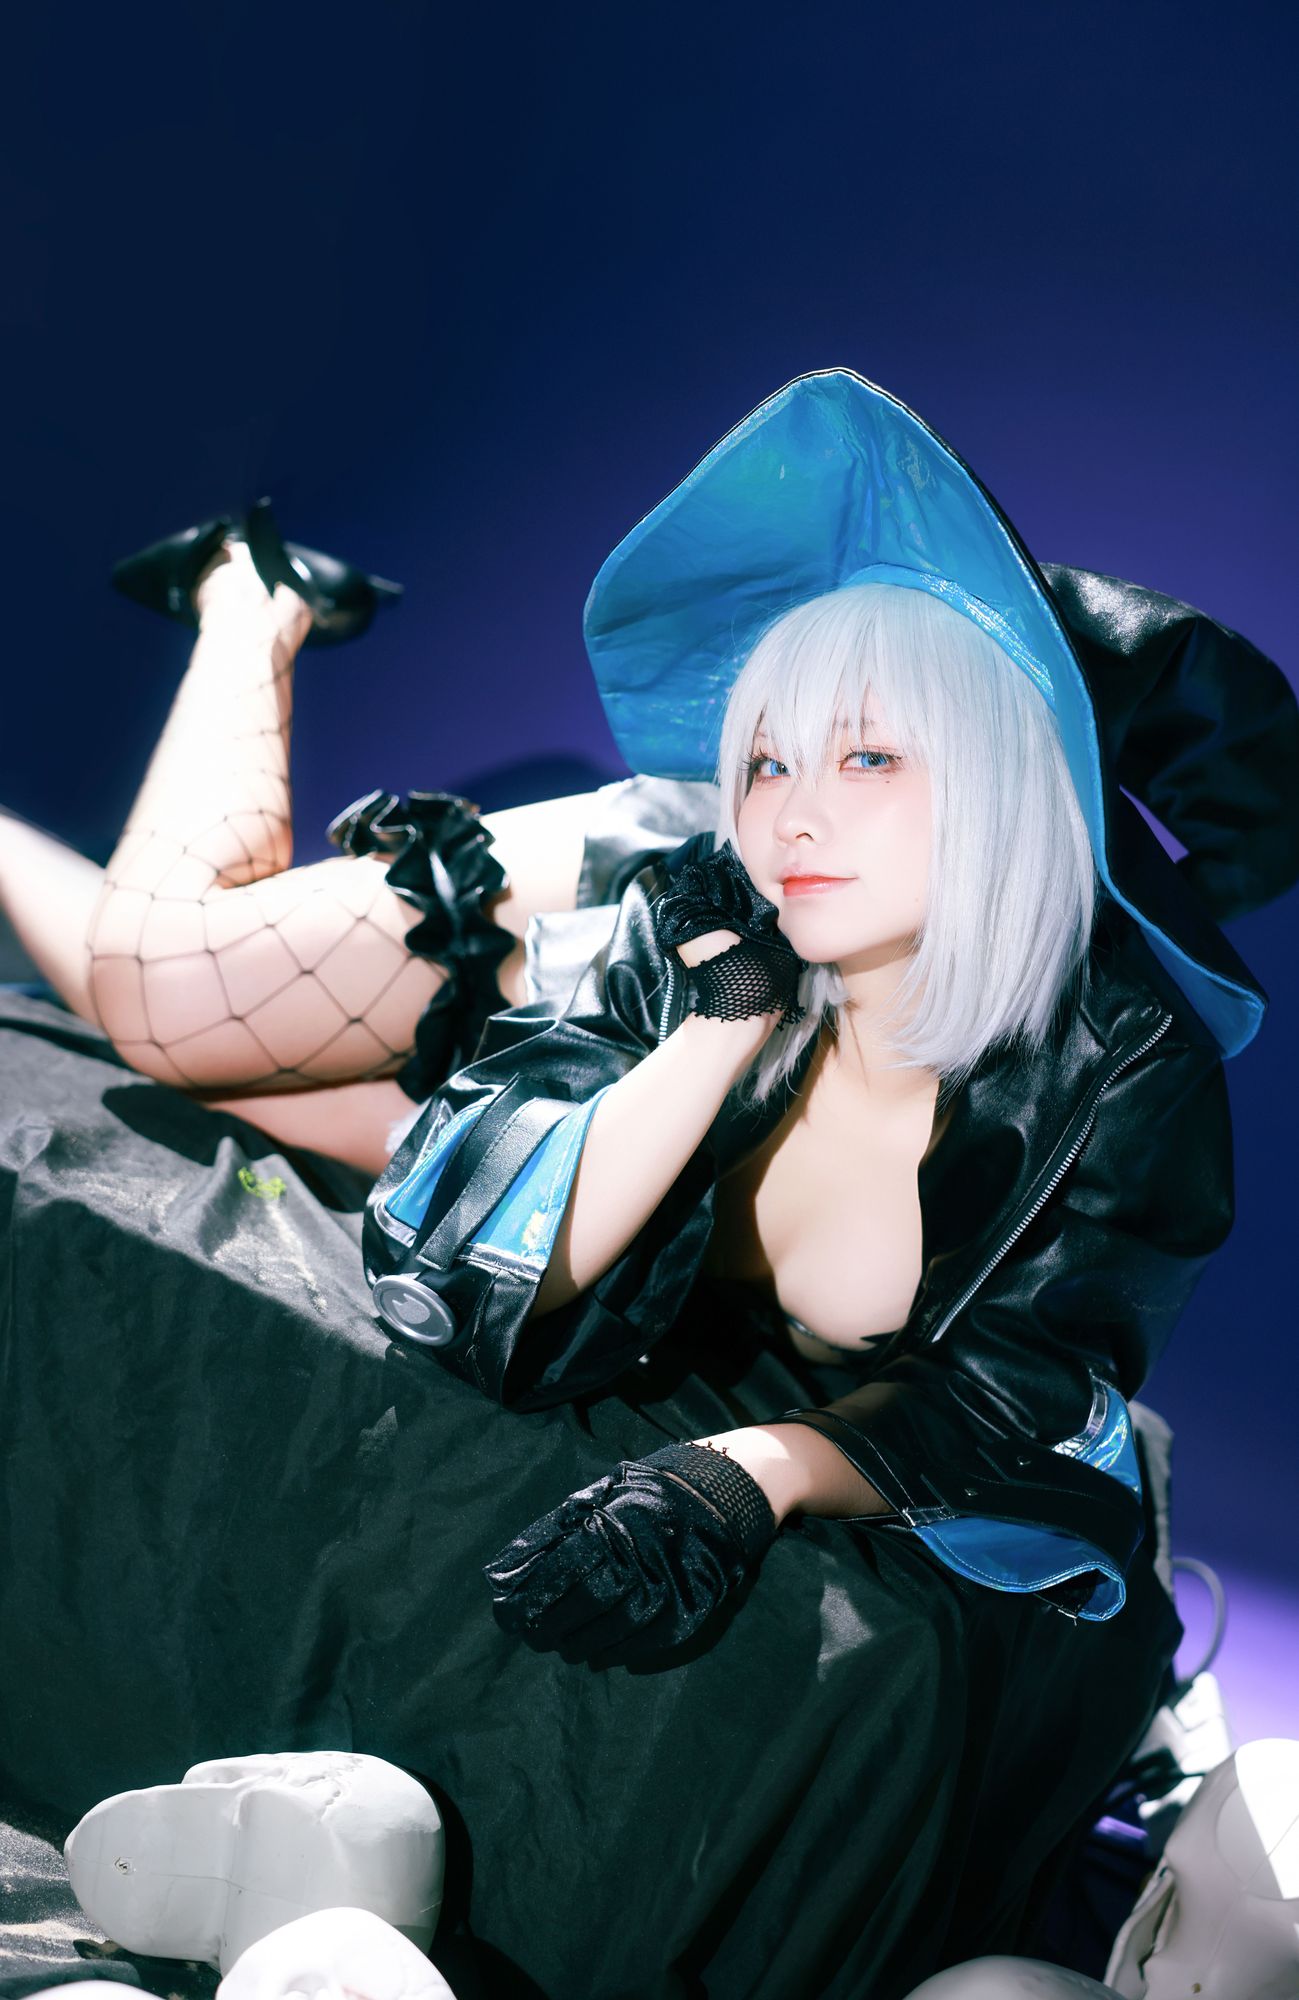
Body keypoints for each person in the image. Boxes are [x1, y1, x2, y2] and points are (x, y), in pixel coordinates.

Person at [0, 369, 1295, 1998]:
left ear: (1001, 778)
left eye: (870, 758)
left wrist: (760, 1469)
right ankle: (250, 595)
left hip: (583, 1143)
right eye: (767, 760)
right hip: (576, 969)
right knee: (160, 997)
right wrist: (716, 1025)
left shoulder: (1121, 1067)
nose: (797, 816)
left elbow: (1015, 1390)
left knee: (230, 1074)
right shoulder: (712, 888)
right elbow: (503, 1281)